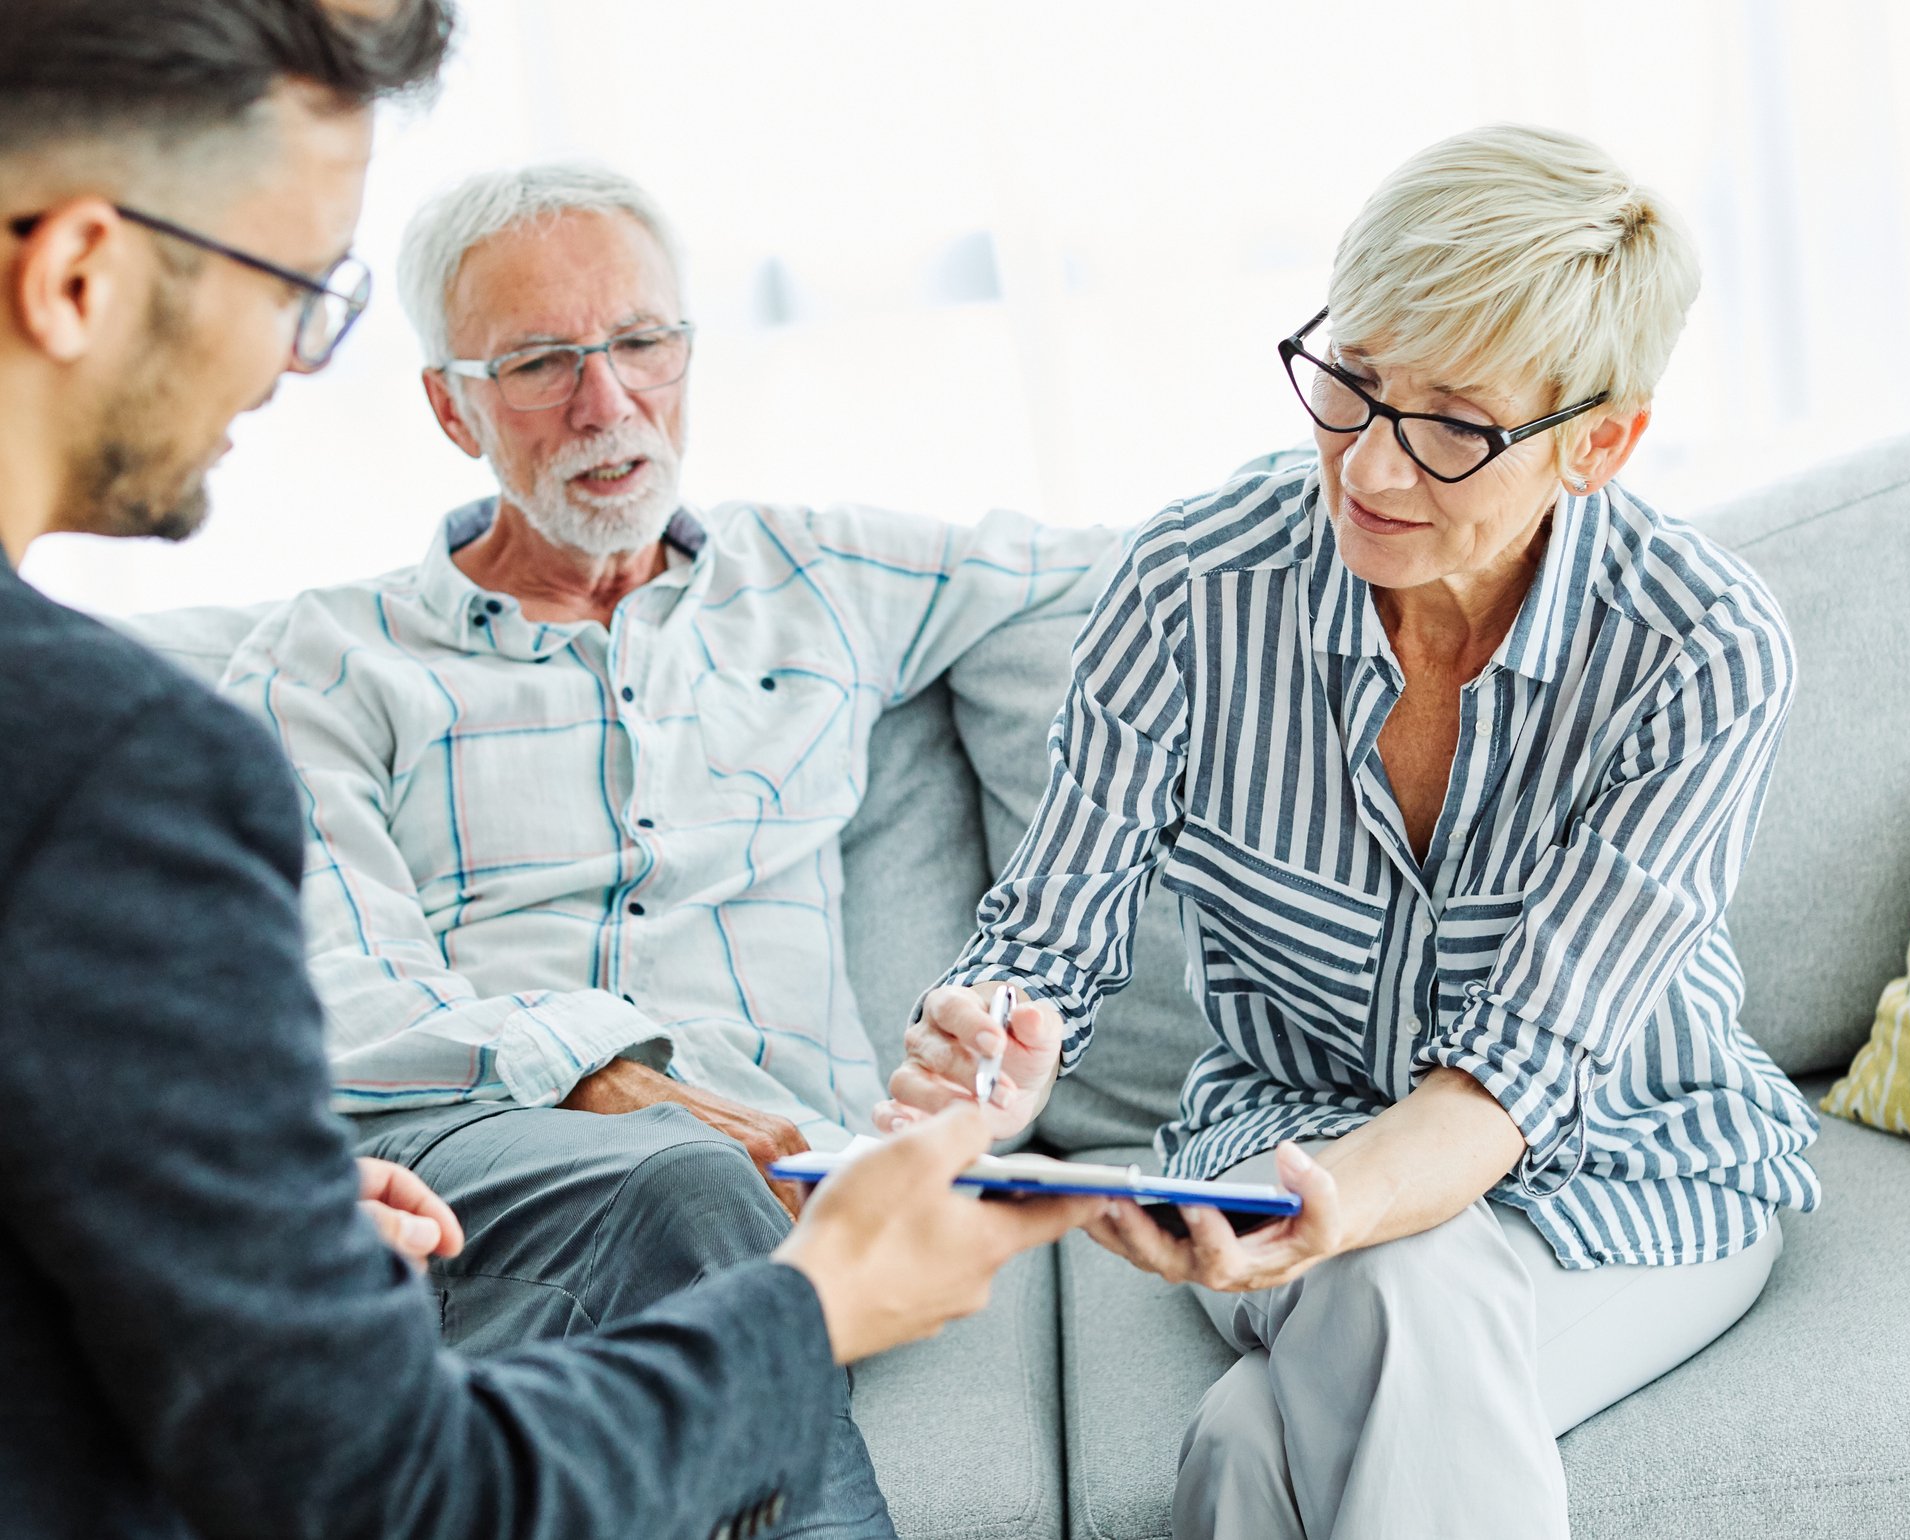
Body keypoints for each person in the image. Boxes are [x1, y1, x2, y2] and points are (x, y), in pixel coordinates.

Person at [0, 5, 1102, 1539]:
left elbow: (1143, 577)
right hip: (508, 1148)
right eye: (540, 363)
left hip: (746, 1169)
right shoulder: (242, 703)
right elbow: (336, 983)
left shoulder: (831, 575)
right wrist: (635, 1101)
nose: (609, 402)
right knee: (674, 1193)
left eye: (642, 343)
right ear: (452, 405)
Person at [881, 124, 1822, 1540]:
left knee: (1297, 1397)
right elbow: (1045, 942)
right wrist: (995, 1052)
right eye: (1354, 384)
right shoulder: (1192, 589)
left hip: (1635, 1174)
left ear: (1600, 444)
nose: (1369, 470)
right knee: (1384, 1297)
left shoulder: (1700, 652)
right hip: (1283, 1137)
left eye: (1452, 425)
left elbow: (1514, 1080)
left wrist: (1338, 1212)